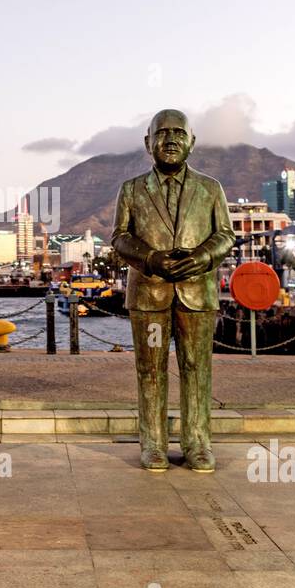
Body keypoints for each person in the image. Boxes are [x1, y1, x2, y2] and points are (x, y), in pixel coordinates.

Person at [111, 109, 235, 473]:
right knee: (150, 369)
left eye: (179, 133)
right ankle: (153, 443)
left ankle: (198, 442)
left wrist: (201, 257)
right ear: (148, 142)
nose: (171, 140)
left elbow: (225, 234)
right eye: (162, 133)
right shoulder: (132, 189)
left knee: (197, 369)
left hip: (197, 292)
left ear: (192, 142)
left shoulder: (211, 188)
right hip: (149, 293)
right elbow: (119, 236)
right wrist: (150, 259)